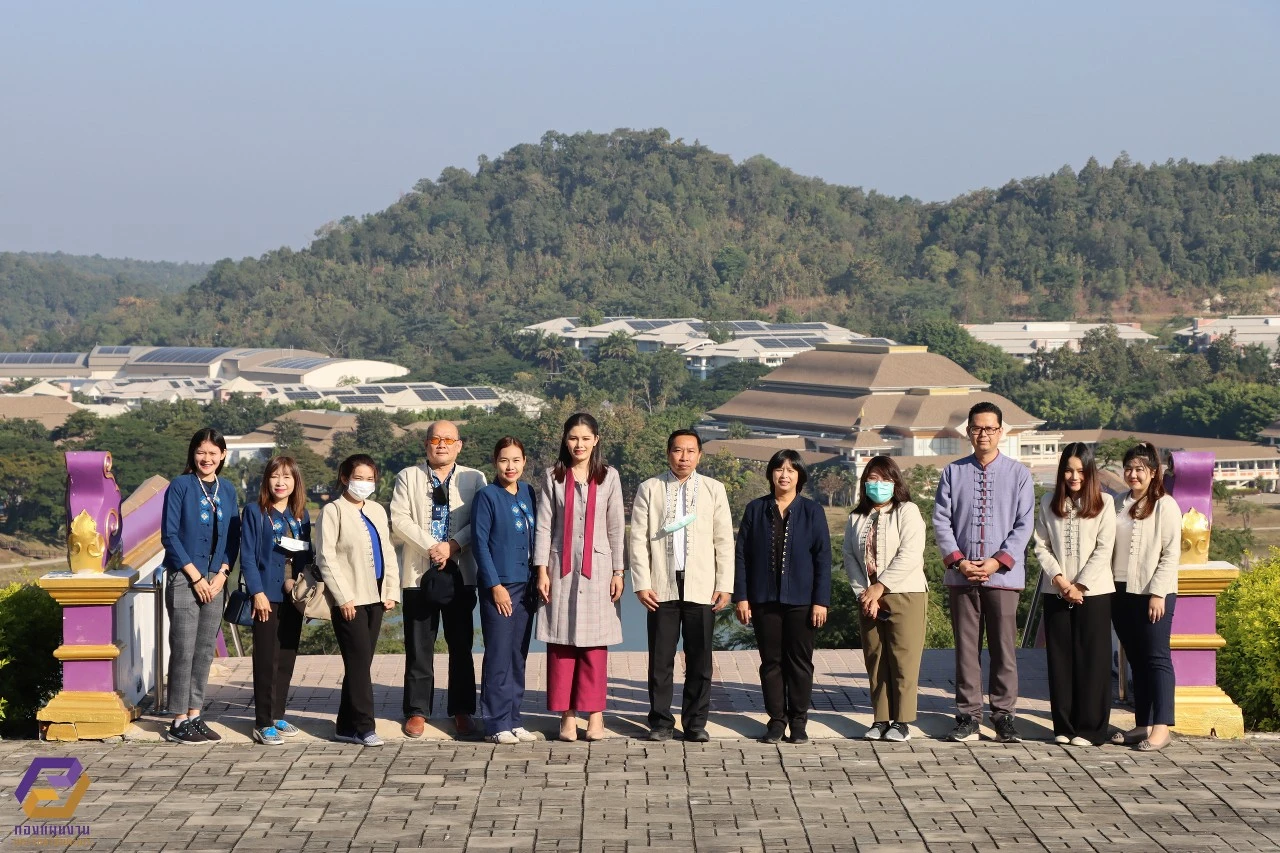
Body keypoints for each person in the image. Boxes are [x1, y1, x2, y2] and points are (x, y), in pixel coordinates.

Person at [933, 401, 1034, 743]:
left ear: (1001, 432)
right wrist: (960, 561)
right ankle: (968, 715)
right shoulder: (952, 472)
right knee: (966, 648)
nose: (983, 434)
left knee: (1004, 648)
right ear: (968, 432)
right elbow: (941, 520)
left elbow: (1024, 525)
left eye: (990, 428)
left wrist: (996, 562)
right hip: (961, 575)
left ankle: (1004, 715)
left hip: (1002, 577)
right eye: (977, 428)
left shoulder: (1019, 473)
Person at [629, 428, 735, 743]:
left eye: (690, 451)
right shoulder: (650, 488)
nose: (684, 457)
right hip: (662, 585)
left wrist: (724, 584)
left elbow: (724, 541)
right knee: (660, 659)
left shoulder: (715, 490)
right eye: (678, 450)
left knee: (700, 659)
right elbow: (638, 539)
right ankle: (660, 722)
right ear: (668, 453)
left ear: (699, 455)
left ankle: (695, 723)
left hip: (702, 585)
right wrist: (641, 582)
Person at [390, 421, 488, 740]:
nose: (441, 445)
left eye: (448, 440)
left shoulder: (475, 478)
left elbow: (481, 520)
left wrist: (452, 545)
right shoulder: (408, 476)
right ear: (426, 444)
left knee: (460, 645)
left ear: (459, 445)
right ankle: (417, 711)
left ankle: (462, 710)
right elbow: (399, 519)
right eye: (435, 439)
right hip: (419, 574)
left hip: (461, 572)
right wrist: (432, 547)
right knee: (419, 646)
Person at [533, 412, 626, 742]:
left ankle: (595, 714)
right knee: (562, 642)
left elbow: (615, 526)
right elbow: (545, 525)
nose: (579, 444)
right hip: (561, 568)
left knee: (594, 645)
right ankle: (567, 715)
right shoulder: (553, 476)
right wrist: (541, 570)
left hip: (598, 570)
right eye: (573, 438)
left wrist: (619, 571)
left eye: (586, 438)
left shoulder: (609, 477)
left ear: (596, 440)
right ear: (565, 440)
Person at [733, 449, 831, 745]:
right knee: (771, 662)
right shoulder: (755, 509)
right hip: (764, 600)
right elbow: (742, 556)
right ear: (771, 474)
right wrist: (742, 597)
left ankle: (799, 721)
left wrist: (820, 600)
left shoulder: (812, 511)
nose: (784, 475)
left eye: (790, 469)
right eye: (779, 469)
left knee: (800, 663)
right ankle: (776, 721)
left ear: (799, 475)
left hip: (802, 601)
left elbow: (823, 558)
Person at [1033, 443, 1116, 747]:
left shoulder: (1105, 503)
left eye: (1080, 470)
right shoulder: (1047, 502)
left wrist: (1079, 585)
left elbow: (1104, 548)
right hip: (1055, 590)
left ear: (1090, 472)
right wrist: (1059, 580)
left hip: (1094, 593)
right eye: (1068, 469)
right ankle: (1064, 726)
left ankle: (1091, 729)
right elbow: (1041, 545)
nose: (1073, 475)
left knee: (1092, 661)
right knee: (1061, 660)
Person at [161, 428, 239, 744]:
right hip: (185, 578)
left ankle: (195, 713)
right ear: (193, 454)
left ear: (222, 456)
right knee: (183, 648)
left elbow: (234, 537)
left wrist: (221, 574)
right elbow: (170, 536)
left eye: (213, 453)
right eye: (200, 452)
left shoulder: (228, 489)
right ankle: (178, 721)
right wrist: (196, 577)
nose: (206, 458)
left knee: (205, 649)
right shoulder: (180, 486)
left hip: (215, 580)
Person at [315, 454, 400, 747]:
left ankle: (345, 725)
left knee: (359, 663)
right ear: (344, 478)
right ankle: (365, 726)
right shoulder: (333, 511)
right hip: (349, 600)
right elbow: (325, 557)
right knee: (360, 663)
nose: (364, 484)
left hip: (375, 597)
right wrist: (343, 597)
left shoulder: (376, 509)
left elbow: (387, 552)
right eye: (358, 478)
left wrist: (391, 590)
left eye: (369, 479)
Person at [843, 455, 927, 743]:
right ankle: (880, 718)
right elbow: (850, 558)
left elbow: (910, 554)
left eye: (884, 479)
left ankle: (902, 721)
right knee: (876, 658)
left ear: (895, 482)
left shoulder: (907, 511)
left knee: (903, 658)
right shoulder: (857, 517)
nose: (878, 484)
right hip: (869, 598)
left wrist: (881, 587)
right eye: (872, 479)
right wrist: (864, 593)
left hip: (906, 593)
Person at [1110, 442, 1180, 751]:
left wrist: (1158, 593)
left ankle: (1161, 728)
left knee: (1157, 658)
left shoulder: (1166, 505)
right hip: (1120, 590)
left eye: (1140, 469)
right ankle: (1142, 725)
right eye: (1128, 468)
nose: (1133, 474)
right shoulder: (1115, 503)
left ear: (1153, 473)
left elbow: (1170, 555)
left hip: (1152, 592)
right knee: (1136, 660)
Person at [239, 455, 312, 746]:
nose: (281, 483)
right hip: (265, 596)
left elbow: (306, 556)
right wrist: (256, 593)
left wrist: (306, 594)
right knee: (266, 658)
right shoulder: (256, 512)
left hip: (292, 595)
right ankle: (262, 722)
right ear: (266, 480)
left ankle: (278, 713)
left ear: (296, 482)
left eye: (287, 477)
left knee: (287, 655)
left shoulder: (301, 514)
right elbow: (246, 556)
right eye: (275, 477)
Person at [472, 437, 539, 745]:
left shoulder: (528, 492)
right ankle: (495, 723)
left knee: (517, 654)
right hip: (500, 585)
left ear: (524, 462)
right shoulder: (487, 496)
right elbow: (480, 545)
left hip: (526, 586)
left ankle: (514, 718)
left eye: (515, 460)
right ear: (494, 462)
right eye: (503, 460)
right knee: (498, 654)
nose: (510, 466)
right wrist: (495, 586)